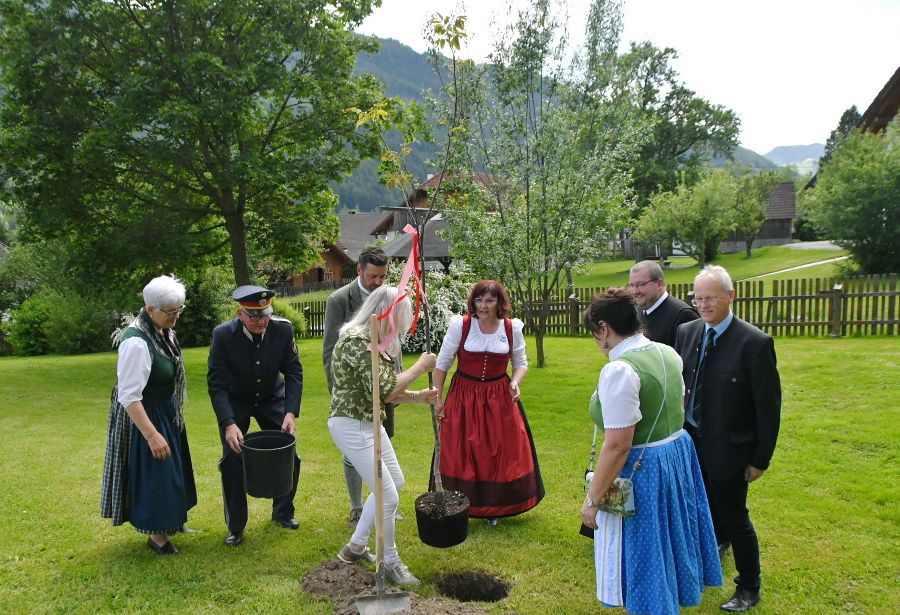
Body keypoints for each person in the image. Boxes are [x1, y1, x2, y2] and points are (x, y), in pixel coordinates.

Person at [580, 287, 722, 615]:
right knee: (668, 540)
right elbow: (677, 405)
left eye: (594, 332)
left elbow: (618, 444)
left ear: (604, 329)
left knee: (644, 550)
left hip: (642, 469)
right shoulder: (667, 353)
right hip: (675, 456)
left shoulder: (620, 370)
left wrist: (593, 501)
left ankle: (651, 606)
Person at [675, 266, 781, 612]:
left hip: (730, 450)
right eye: (698, 298)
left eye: (711, 298)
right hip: (689, 445)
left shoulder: (754, 343)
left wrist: (759, 459)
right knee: (693, 511)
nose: (703, 305)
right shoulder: (687, 332)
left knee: (734, 517)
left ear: (730, 296)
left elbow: (768, 408)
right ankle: (699, 567)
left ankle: (749, 586)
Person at [328, 285, 439, 586]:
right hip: (350, 425)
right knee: (387, 494)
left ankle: (355, 547)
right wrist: (420, 366)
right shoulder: (356, 340)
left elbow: (384, 394)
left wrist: (417, 397)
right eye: (403, 314)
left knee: (394, 483)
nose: (405, 321)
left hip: (369, 422)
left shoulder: (377, 340)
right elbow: (385, 388)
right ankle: (389, 560)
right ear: (389, 312)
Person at [433, 280, 544, 525]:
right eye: (479, 300)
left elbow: (520, 362)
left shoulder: (511, 328)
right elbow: (442, 363)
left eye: (490, 300)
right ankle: (459, 503)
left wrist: (515, 381)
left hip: (498, 396)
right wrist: (438, 398)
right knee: (462, 449)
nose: (483, 306)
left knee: (499, 450)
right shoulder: (460, 326)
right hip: (464, 395)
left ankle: (495, 507)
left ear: (499, 303)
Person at [101, 275, 197, 555]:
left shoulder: (162, 329)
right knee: (157, 475)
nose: (176, 317)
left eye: (179, 310)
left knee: (171, 473)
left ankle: (170, 523)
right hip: (144, 414)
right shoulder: (136, 342)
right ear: (150, 309)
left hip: (165, 410)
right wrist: (152, 435)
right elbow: (129, 396)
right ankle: (157, 537)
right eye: (170, 312)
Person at [207, 285, 303, 547]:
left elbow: (294, 372)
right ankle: (236, 526)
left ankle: (283, 512)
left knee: (289, 455)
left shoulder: (283, 329)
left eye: (266, 315)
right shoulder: (223, 336)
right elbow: (216, 384)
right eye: (254, 316)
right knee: (231, 459)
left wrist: (290, 412)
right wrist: (228, 424)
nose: (262, 321)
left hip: (272, 399)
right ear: (240, 314)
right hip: (236, 402)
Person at [323, 246, 390, 528]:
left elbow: (392, 344)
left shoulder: (389, 298)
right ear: (359, 270)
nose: (377, 282)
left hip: (382, 384)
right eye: (373, 276)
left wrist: (393, 381)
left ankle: (385, 500)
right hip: (352, 392)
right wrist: (338, 389)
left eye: (382, 277)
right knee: (355, 451)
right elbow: (330, 349)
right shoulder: (339, 300)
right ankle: (356, 505)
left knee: (382, 446)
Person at [628, 259, 698, 347]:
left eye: (641, 284)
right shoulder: (639, 312)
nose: (635, 291)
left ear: (659, 284)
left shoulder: (683, 316)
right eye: (631, 285)